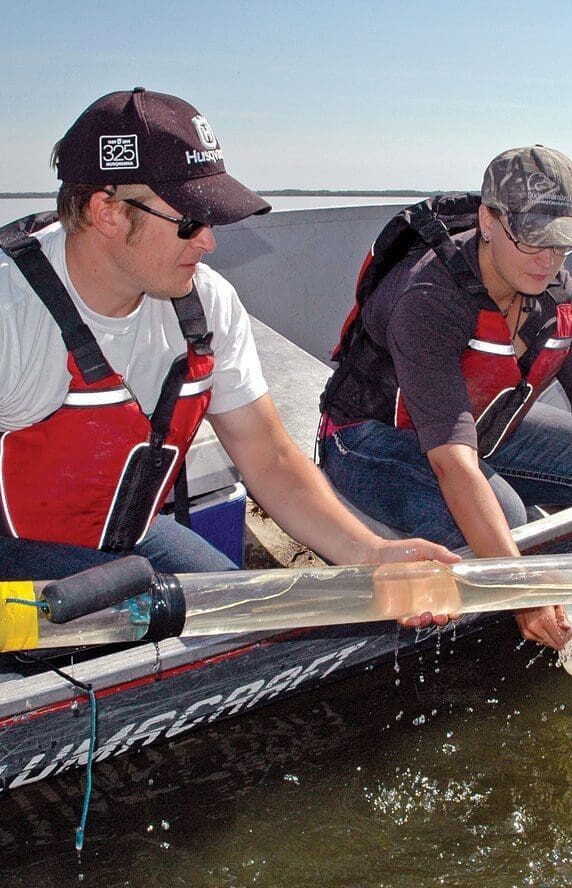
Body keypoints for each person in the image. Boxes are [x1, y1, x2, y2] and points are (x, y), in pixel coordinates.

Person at [0, 87, 456, 625]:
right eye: (190, 221)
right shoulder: (12, 309)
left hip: (128, 533)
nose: (209, 242)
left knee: (246, 622)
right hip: (15, 552)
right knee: (137, 633)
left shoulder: (208, 304)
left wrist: (370, 554)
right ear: (107, 212)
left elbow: (269, 457)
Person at [319, 145, 572, 649]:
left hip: (479, 431)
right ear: (488, 220)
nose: (548, 261)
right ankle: (512, 613)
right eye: (533, 241)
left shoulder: (560, 294)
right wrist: (519, 588)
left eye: (561, 244)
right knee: (510, 523)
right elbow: (454, 462)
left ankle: (571, 597)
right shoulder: (428, 296)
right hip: (368, 438)